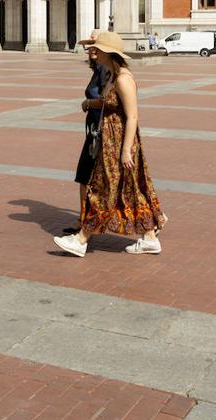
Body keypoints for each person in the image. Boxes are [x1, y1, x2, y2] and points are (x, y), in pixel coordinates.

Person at [54, 31, 167, 257]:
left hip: (119, 142)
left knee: (104, 188)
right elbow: (108, 103)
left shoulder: (124, 78)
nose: (93, 51)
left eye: (98, 48)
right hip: (110, 139)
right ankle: (150, 238)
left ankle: (81, 239)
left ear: (108, 53)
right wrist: (92, 103)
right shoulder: (111, 75)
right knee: (130, 190)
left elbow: (132, 116)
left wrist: (125, 150)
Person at [64, 30, 106, 236]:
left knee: (88, 176)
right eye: (88, 46)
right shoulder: (99, 69)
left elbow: (110, 100)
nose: (90, 49)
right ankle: (85, 220)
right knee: (86, 176)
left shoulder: (106, 70)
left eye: (94, 45)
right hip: (94, 130)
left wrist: (88, 102)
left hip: (102, 132)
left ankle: (151, 223)